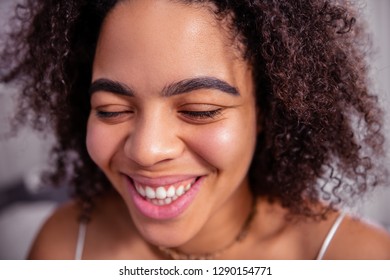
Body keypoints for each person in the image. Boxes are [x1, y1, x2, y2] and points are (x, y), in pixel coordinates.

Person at [1, 0, 390, 260]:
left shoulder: (357, 257)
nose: (146, 150)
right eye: (112, 110)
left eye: (200, 111)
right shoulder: (66, 244)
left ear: (267, 112)